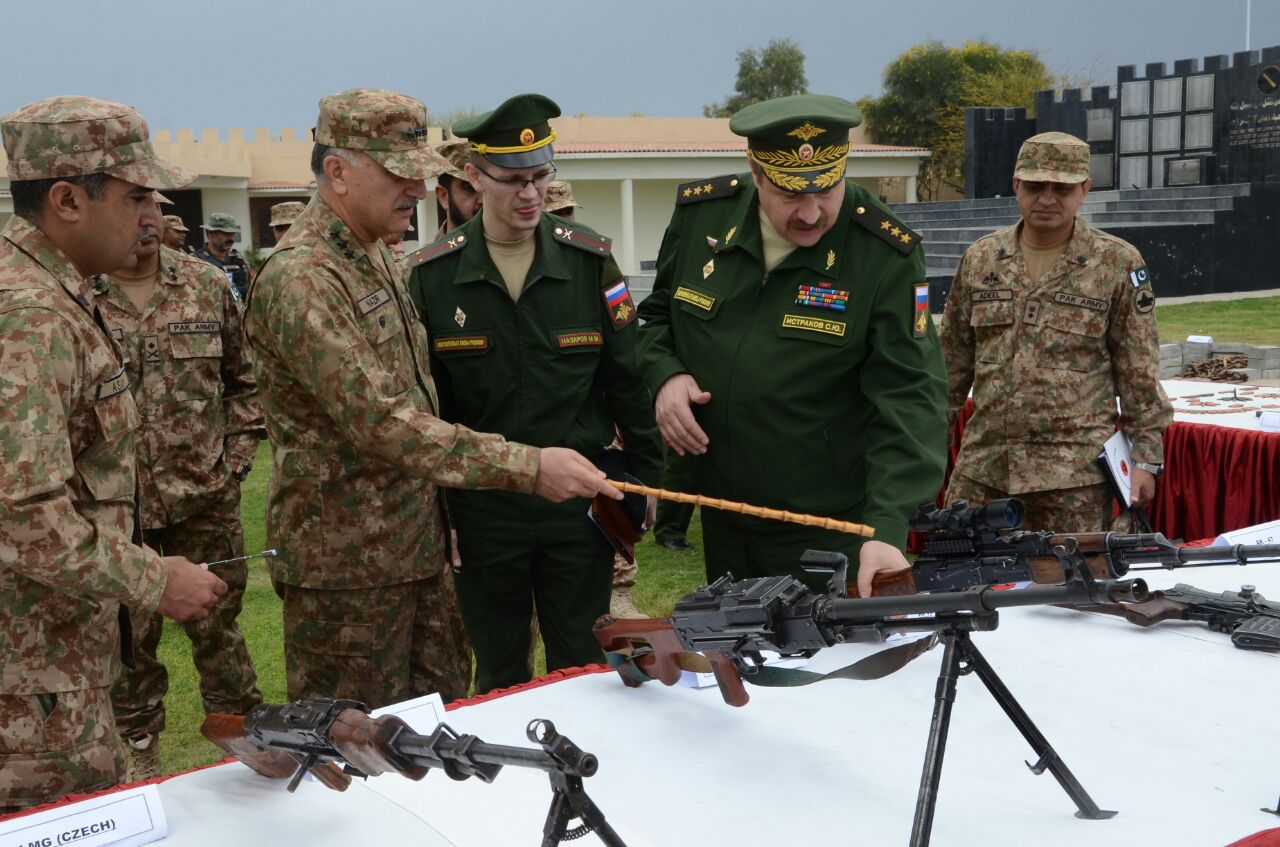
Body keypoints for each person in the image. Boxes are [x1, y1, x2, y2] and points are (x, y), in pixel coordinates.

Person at [244, 88, 621, 710]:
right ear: (337, 171)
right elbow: (383, 423)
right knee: (359, 749)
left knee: (439, 729)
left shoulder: (373, 254)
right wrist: (527, 466)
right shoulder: (304, 276)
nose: (419, 193)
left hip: (414, 547)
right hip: (349, 569)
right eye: (400, 177)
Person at [0, 95, 226, 812]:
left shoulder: (55, 293)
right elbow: (20, 513)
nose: (150, 214)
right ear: (67, 198)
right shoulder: (30, 314)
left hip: (51, 667)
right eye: (135, 196)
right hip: (32, 688)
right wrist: (154, 577)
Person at [637, 94, 948, 598]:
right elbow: (654, 318)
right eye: (790, 194)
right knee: (736, 664)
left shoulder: (882, 252)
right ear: (755, 173)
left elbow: (912, 395)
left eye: (827, 189)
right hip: (725, 516)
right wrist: (665, 375)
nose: (811, 213)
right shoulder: (702, 218)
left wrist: (887, 528)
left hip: (825, 531)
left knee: (824, 673)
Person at [408, 93, 662, 693]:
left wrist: (648, 482)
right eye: (513, 180)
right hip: (483, 509)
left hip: (576, 505)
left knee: (584, 664)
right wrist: (438, 514)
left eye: (541, 177)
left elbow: (627, 378)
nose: (531, 194)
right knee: (499, 670)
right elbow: (425, 410)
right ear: (472, 176)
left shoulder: (589, 260)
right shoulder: (431, 276)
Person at [97, 196, 266, 780]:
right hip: (121, 512)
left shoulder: (205, 285)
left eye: (154, 211)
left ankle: (244, 737)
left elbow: (246, 386)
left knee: (219, 627)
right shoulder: (77, 294)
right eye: (134, 207)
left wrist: (234, 464)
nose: (145, 221)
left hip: (204, 500)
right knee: (128, 640)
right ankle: (138, 755)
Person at [940, 132, 1173, 533]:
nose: (1047, 197)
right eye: (1035, 186)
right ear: (1016, 185)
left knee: (1070, 592)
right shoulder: (980, 259)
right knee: (963, 584)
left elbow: (1139, 370)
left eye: (1062, 188)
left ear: (1084, 190)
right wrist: (924, 453)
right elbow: (948, 369)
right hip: (984, 470)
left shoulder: (1116, 263)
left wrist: (1147, 461)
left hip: (1073, 479)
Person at [195, 212, 250, 301]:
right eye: (226, 233)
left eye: (232, 234)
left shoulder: (237, 258)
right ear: (210, 233)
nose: (231, 238)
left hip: (239, 311)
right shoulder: (196, 260)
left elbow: (249, 288)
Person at [433, 138, 481, 239]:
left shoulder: (512, 252)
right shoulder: (431, 254)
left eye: (486, 187)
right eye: (470, 188)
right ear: (443, 196)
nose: (483, 200)